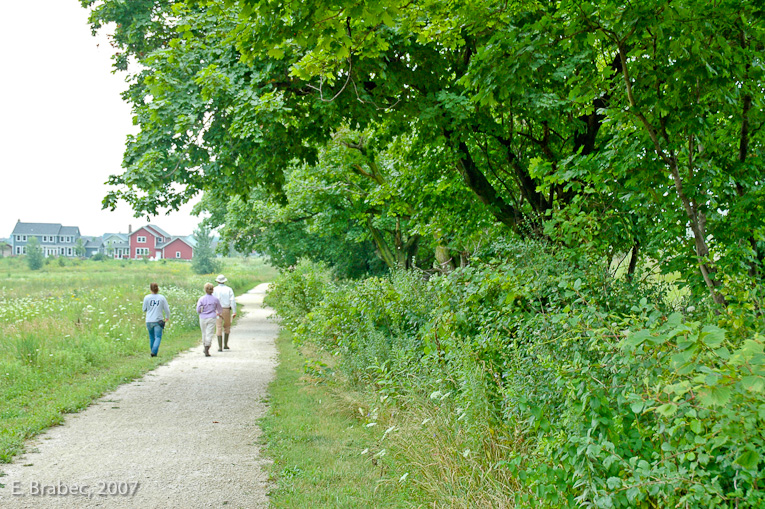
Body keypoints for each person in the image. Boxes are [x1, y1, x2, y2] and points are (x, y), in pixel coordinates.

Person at [142, 282, 170, 357]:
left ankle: (153, 352)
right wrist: (167, 317)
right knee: (158, 337)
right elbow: (167, 309)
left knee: (151, 337)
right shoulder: (161, 297)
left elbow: (144, 309)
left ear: (150, 289)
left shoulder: (146, 297)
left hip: (149, 320)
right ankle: (154, 351)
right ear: (158, 289)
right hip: (158, 320)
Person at [196, 282, 222, 357]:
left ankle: (205, 345)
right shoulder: (215, 299)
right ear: (212, 290)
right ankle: (207, 347)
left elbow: (198, 310)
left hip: (203, 317)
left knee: (204, 333)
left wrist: (201, 311)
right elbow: (219, 309)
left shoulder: (201, 299)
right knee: (209, 333)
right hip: (212, 317)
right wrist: (218, 313)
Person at [212, 274, 237, 351]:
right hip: (226, 309)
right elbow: (232, 301)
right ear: (224, 281)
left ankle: (220, 347)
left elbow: (212, 300)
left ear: (217, 281)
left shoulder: (214, 289)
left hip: (217, 310)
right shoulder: (229, 289)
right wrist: (234, 311)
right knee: (227, 326)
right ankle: (225, 345)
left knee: (218, 327)